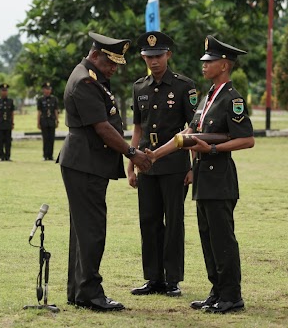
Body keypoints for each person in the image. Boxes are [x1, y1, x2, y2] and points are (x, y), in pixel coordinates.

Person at [146, 35, 255, 314]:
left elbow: (246, 139)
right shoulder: (208, 97)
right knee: (208, 237)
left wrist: (214, 148)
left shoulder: (232, 99)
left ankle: (232, 296)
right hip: (203, 177)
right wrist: (155, 155)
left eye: (210, 62)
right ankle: (216, 291)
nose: (204, 66)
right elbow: (187, 134)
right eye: (204, 62)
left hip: (220, 178)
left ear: (224, 65)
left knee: (222, 238)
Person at [58, 31, 152, 311]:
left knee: (83, 229)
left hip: (85, 162)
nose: (113, 68)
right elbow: (102, 128)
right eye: (110, 62)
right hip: (85, 163)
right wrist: (132, 153)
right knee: (92, 230)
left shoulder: (89, 75)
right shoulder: (86, 81)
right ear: (95, 55)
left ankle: (79, 290)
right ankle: (90, 293)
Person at [127, 31, 198, 297]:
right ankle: (153, 278)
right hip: (146, 163)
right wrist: (131, 161)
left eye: (158, 56)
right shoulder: (139, 87)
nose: (153, 61)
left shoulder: (184, 86)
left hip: (175, 165)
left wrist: (193, 166)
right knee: (149, 221)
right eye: (148, 56)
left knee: (174, 221)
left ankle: (172, 279)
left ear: (168, 54)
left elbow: (192, 129)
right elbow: (137, 126)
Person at [36, 82, 59, 161]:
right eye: (46, 89)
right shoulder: (40, 99)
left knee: (51, 139)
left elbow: (56, 110)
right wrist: (38, 122)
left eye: (49, 89)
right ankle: (45, 155)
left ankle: (51, 156)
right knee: (45, 139)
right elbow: (39, 112)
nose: (48, 91)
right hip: (44, 121)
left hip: (52, 121)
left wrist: (57, 120)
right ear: (43, 90)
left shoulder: (54, 99)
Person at [0, 83, 15, 161]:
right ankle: (1, 156)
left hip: (8, 123)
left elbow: (12, 113)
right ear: (0, 91)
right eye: (3, 90)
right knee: (0, 141)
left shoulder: (10, 101)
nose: (4, 92)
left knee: (8, 141)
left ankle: (7, 156)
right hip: (1, 123)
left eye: (6, 91)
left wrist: (12, 122)